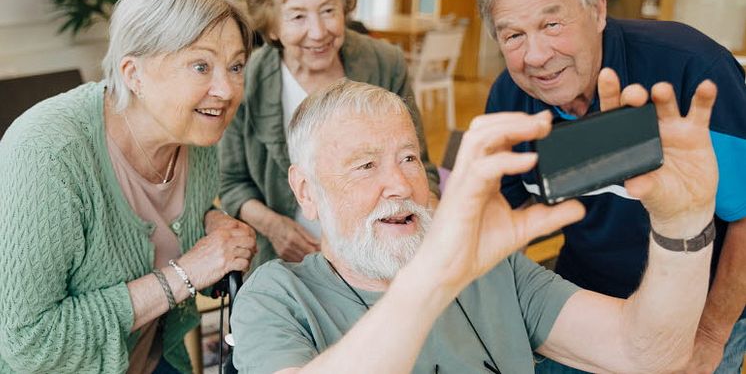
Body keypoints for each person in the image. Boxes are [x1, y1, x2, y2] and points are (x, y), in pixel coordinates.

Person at [231, 77, 719, 373]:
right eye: (365, 166)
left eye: (407, 158)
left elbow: (649, 354)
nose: (399, 184)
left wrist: (683, 224)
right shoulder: (277, 296)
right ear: (305, 192)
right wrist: (434, 276)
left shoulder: (489, 268)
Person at [475, 0, 746, 372]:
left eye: (552, 24)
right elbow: (509, 219)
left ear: (597, 9)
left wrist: (711, 334)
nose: (536, 56)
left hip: (699, 311)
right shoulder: (509, 100)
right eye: (513, 35)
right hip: (586, 297)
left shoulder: (690, 70)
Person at [0, 0, 256, 373]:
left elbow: (167, 231)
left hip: (156, 357)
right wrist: (187, 273)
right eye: (201, 65)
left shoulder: (198, 135)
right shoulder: (49, 156)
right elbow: (27, 342)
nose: (226, 90)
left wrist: (213, 229)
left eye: (236, 65)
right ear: (133, 74)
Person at [219, 0, 440, 272]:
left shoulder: (384, 64)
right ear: (273, 25)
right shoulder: (247, 80)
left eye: (328, 10)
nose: (318, 31)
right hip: (287, 260)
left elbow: (421, 167)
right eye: (297, 17)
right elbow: (232, 185)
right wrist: (276, 228)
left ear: (344, 7)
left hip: (381, 256)